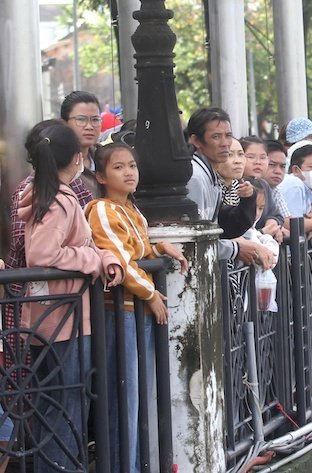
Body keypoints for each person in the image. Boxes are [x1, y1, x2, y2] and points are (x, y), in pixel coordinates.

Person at [18, 123, 123, 472]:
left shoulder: (46, 195)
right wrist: (92, 259)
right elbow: (43, 255)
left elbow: (78, 245)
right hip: (64, 318)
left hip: (50, 316)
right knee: (67, 404)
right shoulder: (59, 200)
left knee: (57, 402)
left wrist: (101, 257)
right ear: (77, 158)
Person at [84, 142, 187, 473]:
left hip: (136, 312)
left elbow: (137, 249)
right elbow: (121, 260)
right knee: (123, 399)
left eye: (132, 165)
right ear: (100, 175)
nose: (129, 172)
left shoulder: (130, 209)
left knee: (137, 398)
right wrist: (150, 294)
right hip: (122, 313)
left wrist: (158, 247)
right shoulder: (101, 209)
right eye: (118, 167)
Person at [185, 107, 272, 268]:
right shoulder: (195, 177)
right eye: (216, 137)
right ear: (196, 141)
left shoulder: (209, 174)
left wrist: (248, 200)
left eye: (228, 136)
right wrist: (234, 249)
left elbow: (227, 226)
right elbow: (194, 241)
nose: (225, 143)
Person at [61, 90, 103, 197]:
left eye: (95, 119)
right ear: (64, 123)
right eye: (81, 119)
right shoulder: (59, 165)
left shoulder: (106, 158)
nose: (89, 126)